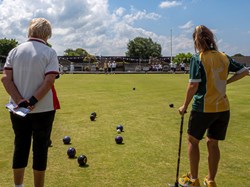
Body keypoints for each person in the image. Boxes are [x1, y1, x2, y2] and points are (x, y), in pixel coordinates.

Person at [178, 25, 248, 187]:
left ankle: (194, 180)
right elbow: (244, 71)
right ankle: (210, 180)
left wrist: (184, 105)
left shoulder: (198, 58)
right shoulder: (224, 56)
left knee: (193, 141)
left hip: (203, 107)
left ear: (196, 41)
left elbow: (193, 86)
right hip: (223, 109)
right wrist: (227, 82)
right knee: (213, 143)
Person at [1, 18, 60, 187]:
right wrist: (32, 101)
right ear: (47, 34)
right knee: (40, 150)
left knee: (20, 145)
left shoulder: (14, 51)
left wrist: (20, 101)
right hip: (44, 109)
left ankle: (18, 186)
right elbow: (49, 81)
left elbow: (6, 79)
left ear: (30, 31)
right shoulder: (50, 52)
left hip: (17, 109)